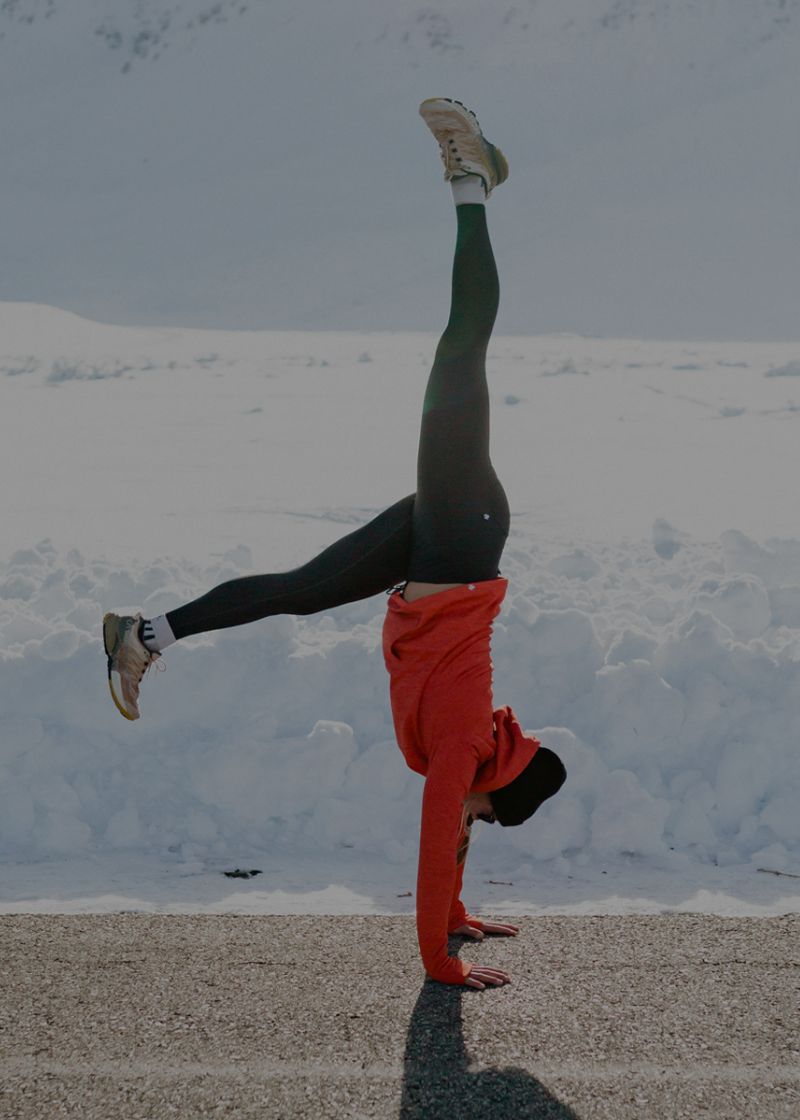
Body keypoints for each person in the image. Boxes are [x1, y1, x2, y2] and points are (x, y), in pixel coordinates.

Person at [103, 99, 567, 989]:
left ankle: (143, 633)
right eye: (485, 816)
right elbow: (436, 841)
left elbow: (453, 837)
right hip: (461, 543)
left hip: (441, 553)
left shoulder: (476, 757)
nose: (470, 822)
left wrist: (460, 917)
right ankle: (474, 181)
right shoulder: (463, 748)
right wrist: (439, 959)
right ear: (494, 788)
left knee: (301, 589)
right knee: (461, 352)